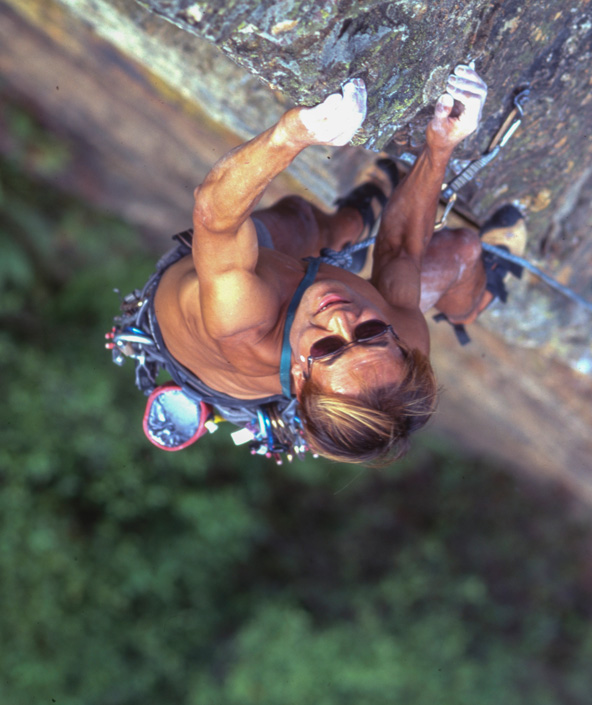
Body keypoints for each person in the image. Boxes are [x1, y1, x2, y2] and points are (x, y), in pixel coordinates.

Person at [150, 64, 507, 464]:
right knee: (462, 250)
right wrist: (442, 143)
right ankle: (370, 237)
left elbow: (214, 217)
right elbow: (402, 249)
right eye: (371, 330)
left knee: (297, 221)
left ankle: (352, 228)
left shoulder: (242, 321)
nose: (341, 318)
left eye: (328, 348)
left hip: (211, 309)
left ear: (300, 380)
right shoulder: (402, 349)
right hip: (273, 305)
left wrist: (292, 134)